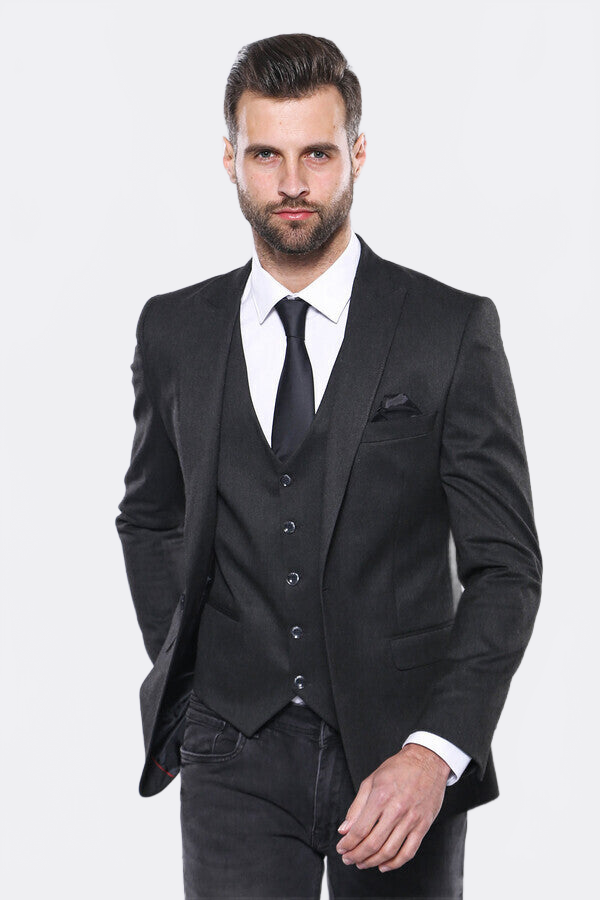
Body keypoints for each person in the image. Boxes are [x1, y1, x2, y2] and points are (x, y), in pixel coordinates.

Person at [115, 32, 542, 900]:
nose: (293, 183)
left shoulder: (447, 329)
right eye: (266, 155)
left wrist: (435, 752)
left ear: (357, 153)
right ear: (230, 159)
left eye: (317, 153)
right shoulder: (174, 330)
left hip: (398, 756)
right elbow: (150, 517)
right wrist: (196, 683)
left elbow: (506, 569)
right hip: (231, 747)